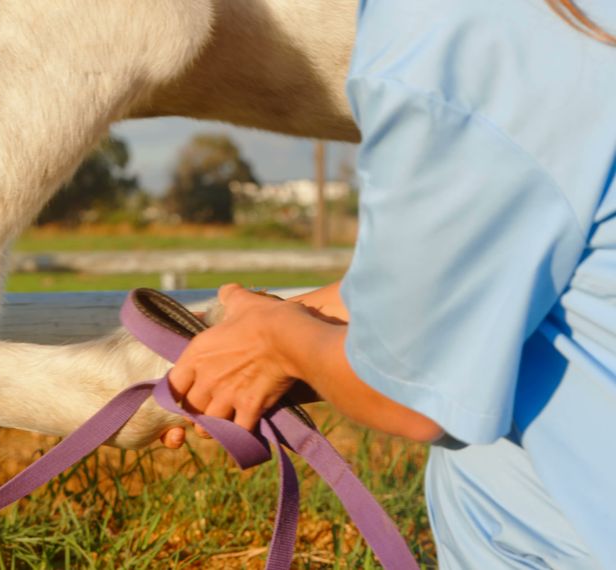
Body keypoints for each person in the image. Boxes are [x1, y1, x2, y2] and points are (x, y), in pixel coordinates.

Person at [160, 0, 616, 567]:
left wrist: (278, 344)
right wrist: (254, 339)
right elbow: (476, 269)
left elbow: (409, 396)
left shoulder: (453, 23)